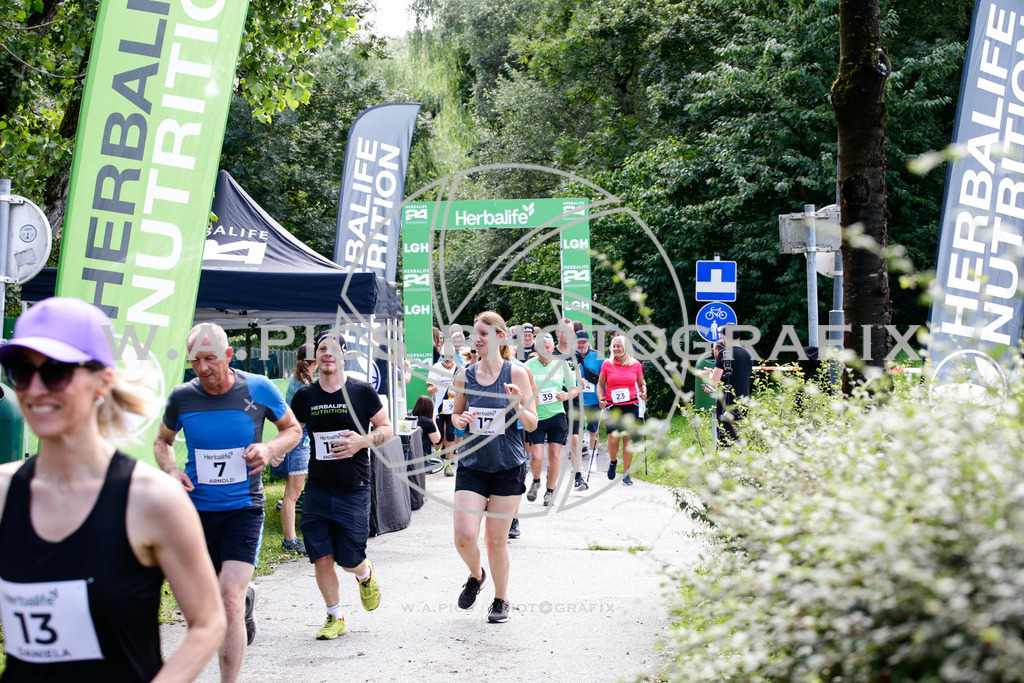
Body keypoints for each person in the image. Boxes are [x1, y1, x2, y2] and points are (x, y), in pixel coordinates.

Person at [0, 297, 225, 681]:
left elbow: (208, 622)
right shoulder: (4, 493)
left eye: (55, 371)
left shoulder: (152, 499)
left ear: (103, 379)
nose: (35, 390)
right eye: (21, 370)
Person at [154, 322, 301, 682]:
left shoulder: (258, 388)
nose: (202, 368)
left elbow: (293, 430)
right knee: (199, 609)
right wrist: (171, 470)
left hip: (243, 508)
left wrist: (269, 448)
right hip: (195, 512)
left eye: (210, 359)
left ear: (228, 356)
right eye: (195, 361)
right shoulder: (181, 397)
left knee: (228, 600)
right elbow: (162, 441)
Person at [289, 331, 392, 640]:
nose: (328, 354)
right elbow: (293, 430)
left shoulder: (361, 392)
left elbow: (387, 428)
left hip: (353, 486)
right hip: (318, 486)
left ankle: (364, 573)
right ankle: (335, 617)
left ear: (344, 355)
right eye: (322, 349)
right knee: (321, 555)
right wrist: (275, 448)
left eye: (334, 349)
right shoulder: (305, 396)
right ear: (316, 357)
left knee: (349, 559)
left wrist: (364, 440)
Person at [451, 311, 538, 623]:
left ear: (501, 337)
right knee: (463, 536)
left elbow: (532, 422)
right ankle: (476, 575)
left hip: (507, 465)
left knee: (495, 540)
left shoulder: (517, 374)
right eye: (476, 333)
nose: (478, 339)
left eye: (484, 333)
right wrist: (459, 422)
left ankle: (501, 600)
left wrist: (517, 405)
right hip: (473, 465)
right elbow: (456, 418)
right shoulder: (466, 375)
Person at [525, 334, 577, 506]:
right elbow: (522, 391)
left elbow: (575, 389)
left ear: (553, 348)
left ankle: (550, 491)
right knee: (537, 456)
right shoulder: (528, 367)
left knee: (555, 455)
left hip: (556, 415)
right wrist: (531, 398)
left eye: (548, 347)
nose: (545, 350)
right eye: (541, 347)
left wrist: (566, 394)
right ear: (535, 349)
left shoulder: (561, 365)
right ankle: (536, 480)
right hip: (536, 417)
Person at [274, 344, 317, 555]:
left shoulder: (298, 381)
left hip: (297, 442)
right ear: (314, 363)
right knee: (292, 494)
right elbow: (298, 422)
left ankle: (292, 538)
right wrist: (282, 449)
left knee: (293, 493)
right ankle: (290, 540)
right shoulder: (304, 385)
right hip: (297, 443)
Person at [596, 335, 647, 485]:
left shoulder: (636, 365)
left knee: (628, 439)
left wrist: (644, 392)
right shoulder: (607, 364)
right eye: (614, 346)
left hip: (631, 405)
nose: (616, 349)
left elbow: (641, 384)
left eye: (619, 346)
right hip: (613, 406)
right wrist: (601, 399)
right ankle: (613, 461)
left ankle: (626, 472)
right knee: (613, 438)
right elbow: (600, 385)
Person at [701, 331, 753, 445]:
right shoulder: (748, 354)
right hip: (743, 403)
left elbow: (714, 382)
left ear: (725, 337)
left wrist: (709, 374)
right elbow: (737, 379)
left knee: (726, 442)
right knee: (739, 439)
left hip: (727, 404)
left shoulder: (724, 353)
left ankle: (728, 463)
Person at [555, 319, 587, 492]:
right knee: (557, 443)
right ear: (557, 333)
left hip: (574, 400)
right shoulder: (550, 353)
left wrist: (579, 381)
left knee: (576, 438)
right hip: (556, 402)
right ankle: (552, 474)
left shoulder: (575, 354)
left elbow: (578, 376)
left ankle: (578, 477)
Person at [427, 343, 462, 476]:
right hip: (439, 407)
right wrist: (433, 389)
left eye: (450, 357)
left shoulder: (459, 369)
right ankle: (437, 452)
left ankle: (448, 465)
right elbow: (429, 388)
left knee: (451, 435)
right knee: (439, 438)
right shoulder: (436, 368)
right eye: (445, 357)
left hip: (454, 408)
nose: (448, 360)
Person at [576, 329, 605, 465]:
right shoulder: (571, 356)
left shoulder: (598, 356)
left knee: (594, 430)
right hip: (577, 400)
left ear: (588, 342)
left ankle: (593, 459)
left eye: (583, 342)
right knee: (578, 431)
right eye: (578, 343)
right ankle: (579, 460)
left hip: (594, 400)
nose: (580, 345)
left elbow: (605, 377)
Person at [411, 395, 441, 461]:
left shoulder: (410, 418)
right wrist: (434, 421)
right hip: (422, 454)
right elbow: (436, 439)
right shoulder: (427, 422)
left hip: (410, 453)